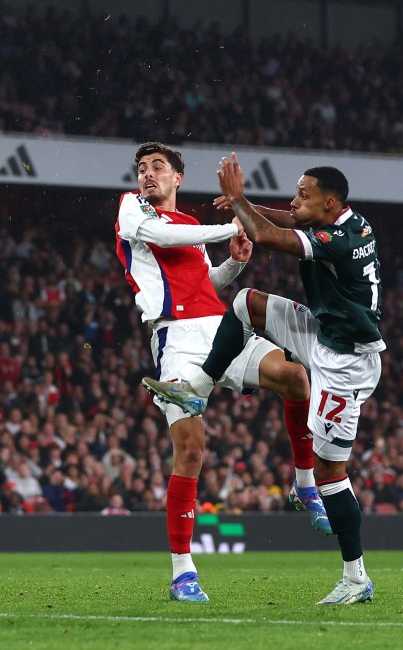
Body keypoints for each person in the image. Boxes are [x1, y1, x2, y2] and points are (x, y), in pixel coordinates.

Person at [147, 153, 383, 605]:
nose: (295, 201)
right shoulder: (346, 220)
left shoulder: (336, 240)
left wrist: (240, 203)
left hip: (344, 362)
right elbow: (286, 218)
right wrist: (245, 204)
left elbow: (269, 234)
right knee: (246, 303)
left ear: (329, 204)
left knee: (333, 472)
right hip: (324, 330)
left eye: (303, 195)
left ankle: (355, 577)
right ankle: (198, 389)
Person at [116, 142, 317, 603]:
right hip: (176, 339)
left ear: (177, 179)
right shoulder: (132, 210)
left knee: (295, 378)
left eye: (158, 167)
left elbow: (203, 284)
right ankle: (183, 572)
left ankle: (305, 484)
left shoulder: (189, 225)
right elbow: (164, 240)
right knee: (191, 448)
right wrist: (234, 222)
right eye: (142, 168)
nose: (148, 174)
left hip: (218, 326)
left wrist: (236, 262)